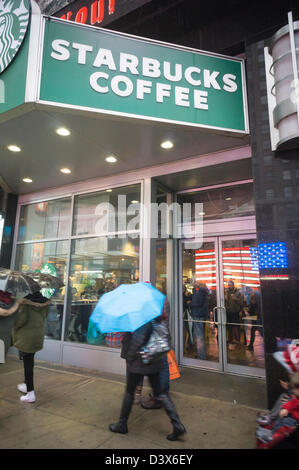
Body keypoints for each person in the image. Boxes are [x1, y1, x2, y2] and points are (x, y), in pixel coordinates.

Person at [109, 315, 186, 441]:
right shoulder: (156, 317)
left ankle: (122, 424)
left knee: (129, 392)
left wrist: (129, 357)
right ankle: (177, 425)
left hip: (140, 362)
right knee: (160, 394)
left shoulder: (143, 319)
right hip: (154, 361)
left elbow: (138, 340)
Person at [12, 291, 51, 403]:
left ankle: (30, 393)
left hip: (26, 337)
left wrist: (13, 323)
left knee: (28, 364)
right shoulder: (45, 302)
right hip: (37, 335)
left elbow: (20, 321)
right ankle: (26, 384)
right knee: (30, 361)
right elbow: (44, 316)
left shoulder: (25, 303)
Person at [256, 372, 299, 444]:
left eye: (295, 389)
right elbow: (294, 402)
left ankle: (272, 437)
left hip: (295, 420)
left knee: (285, 422)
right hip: (293, 413)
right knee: (283, 398)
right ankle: (271, 428)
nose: (293, 390)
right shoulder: (297, 396)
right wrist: (287, 408)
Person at [189, 281, 209, 359]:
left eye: (195, 282)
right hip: (200, 314)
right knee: (199, 335)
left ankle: (201, 356)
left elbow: (197, 302)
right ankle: (200, 353)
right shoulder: (203, 291)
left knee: (199, 336)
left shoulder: (199, 291)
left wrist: (189, 303)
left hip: (198, 314)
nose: (193, 283)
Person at [0, 290, 20, 360]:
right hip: (4, 341)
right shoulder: (15, 303)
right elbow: (17, 322)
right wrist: (16, 304)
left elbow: (4, 312)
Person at [224, 280, 245, 345]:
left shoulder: (238, 293)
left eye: (230, 285)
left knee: (235, 326)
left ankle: (237, 340)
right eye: (228, 285)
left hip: (235, 311)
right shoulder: (226, 292)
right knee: (229, 326)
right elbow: (225, 301)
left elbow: (241, 302)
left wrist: (235, 298)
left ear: (233, 285)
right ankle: (230, 339)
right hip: (228, 311)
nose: (229, 286)